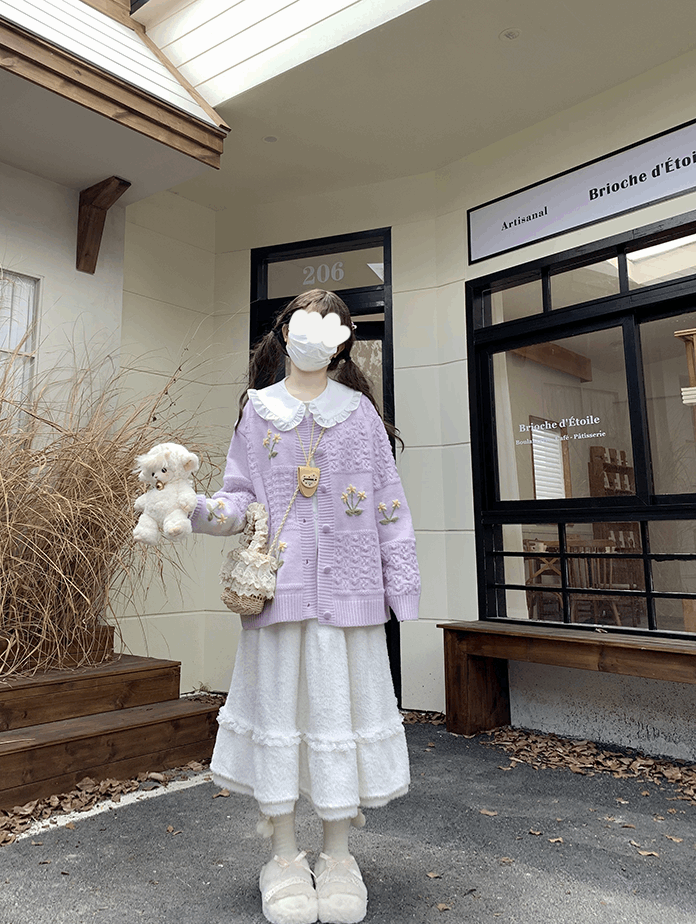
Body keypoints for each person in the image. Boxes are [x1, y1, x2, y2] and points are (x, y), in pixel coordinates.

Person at [188, 289, 421, 924]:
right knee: (280, 721)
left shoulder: (361, 417)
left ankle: (339, 855)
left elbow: (389, 505)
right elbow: (237, 496)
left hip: (348, 602)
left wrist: (399, 584)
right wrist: (198, 511)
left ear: (343, 342)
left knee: (337, 720)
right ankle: (284, 855)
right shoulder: (259, 412)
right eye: (304, 326)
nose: (314, 340)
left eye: (329, 329)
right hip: (279, 599)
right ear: (285, 334)